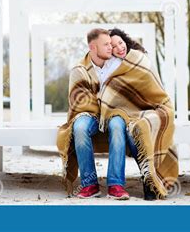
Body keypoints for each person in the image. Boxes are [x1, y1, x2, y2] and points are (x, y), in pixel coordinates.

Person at [102, 28, 179, 200]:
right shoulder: (110, 65)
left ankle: (148, 179)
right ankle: (121, 184)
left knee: (138, 130)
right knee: (121, 127)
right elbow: (108, 93)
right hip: (119, 111)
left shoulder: (140, 59)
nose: (119, 48)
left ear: (125, 41)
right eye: (113, 46)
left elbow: (154, 89)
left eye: (120, 43)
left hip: (147, 109)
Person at [57, 28, 133, 200]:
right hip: (88, 113)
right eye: (105, 44)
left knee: (117, 125)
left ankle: (116, 185)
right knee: (80, 127)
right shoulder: (79, 69)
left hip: (114, 111)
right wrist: (101, 102)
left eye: (110, 44)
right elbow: (78, 102)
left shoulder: (117, 64)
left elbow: (122, 94)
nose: (110, 47)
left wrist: (108, 103)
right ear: (92, 47)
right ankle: (90, 185)